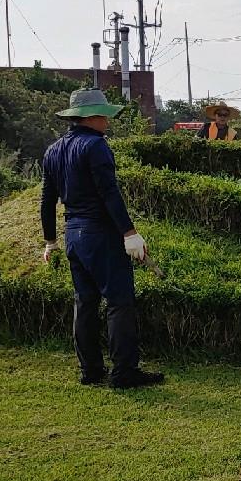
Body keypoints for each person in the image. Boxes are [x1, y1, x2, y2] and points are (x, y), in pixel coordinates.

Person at [41, 89, 164, 389]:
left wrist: (49, 240)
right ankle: (124, 372)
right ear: (91, 116)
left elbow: (46, 200)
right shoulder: (96, 146)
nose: (107, 121)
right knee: (119, 301)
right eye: (103, 115)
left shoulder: (53, 150)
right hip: (100, 232)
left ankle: (91, 369)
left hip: (73, 234)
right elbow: (110, 192)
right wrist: (130, 233)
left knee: (84, 302)